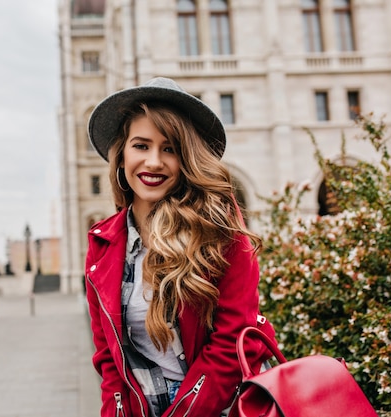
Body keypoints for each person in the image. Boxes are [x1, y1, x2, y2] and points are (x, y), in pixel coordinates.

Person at [85, 77, 277, 417]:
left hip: (220, 407)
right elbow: (109, 364)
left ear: (186, 159)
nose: (154, 162)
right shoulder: (103, 244)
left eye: (170, 148)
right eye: (141, 146)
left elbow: (232, 342)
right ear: (122, 155)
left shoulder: (219, 229)